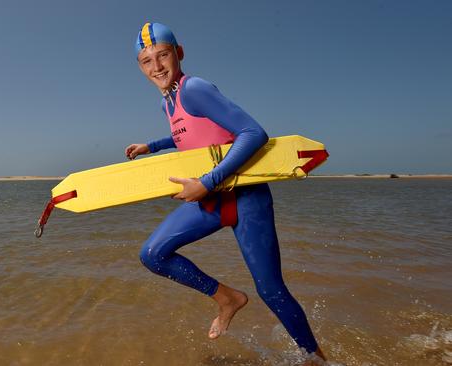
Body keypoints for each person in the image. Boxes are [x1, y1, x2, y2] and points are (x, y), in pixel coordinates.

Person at [125, 22, 326, 361]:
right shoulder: (168, 104)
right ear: (140, 67)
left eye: (162, 56)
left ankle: (319, 359)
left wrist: (206, 182)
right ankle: (227, 298)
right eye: (147, 61)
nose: (156, 67)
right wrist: (153, 146)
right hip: (211, 201)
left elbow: (253, 133)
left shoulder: (194, 89)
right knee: (153, 255)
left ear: (179, 54)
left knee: (272, 291)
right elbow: (186, 135)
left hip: (245, 197)